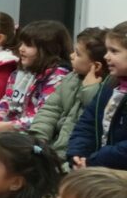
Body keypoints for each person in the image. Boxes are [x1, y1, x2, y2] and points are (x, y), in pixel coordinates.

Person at [0, 19, 72, 137]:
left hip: (32, 135)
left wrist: (10, 126)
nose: (21, 49)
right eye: (22, 43)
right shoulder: (20, 72)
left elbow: (44, 117)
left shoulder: (58, 77)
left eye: (28, 45)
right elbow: (6, 102)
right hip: (7, 129)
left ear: (48, 50)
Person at [29, 27, 108, 157]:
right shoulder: (71, 78)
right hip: (51, 148)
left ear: (96, 66)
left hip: (73, 155)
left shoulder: (106, 88)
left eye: (78, 54)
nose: (71, 55)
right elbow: (50, 110)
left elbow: (94, 117)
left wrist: (89, 90)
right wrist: (39, 137)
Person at [66, 21, 127, 169]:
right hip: (97, 167)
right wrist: (78, 154)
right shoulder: (110, 85)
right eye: (107, 50)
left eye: (114, 51)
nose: (106, 56)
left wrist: (95, 160)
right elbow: (87, 123)